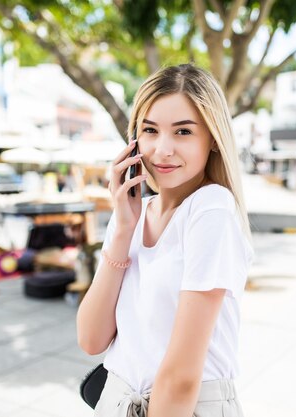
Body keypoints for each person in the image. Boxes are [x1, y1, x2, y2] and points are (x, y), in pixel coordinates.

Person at [76, 64, 254, 417]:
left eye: (183, 131)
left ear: (213, 140)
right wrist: (123, 231)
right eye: (150, 130)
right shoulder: (131, 213)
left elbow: (182, 376)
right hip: (117, 399)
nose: (162, 149)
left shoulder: (210, 208)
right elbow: (92, 339)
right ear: (134, 140)